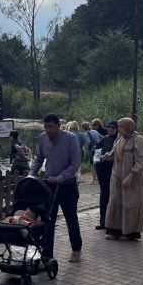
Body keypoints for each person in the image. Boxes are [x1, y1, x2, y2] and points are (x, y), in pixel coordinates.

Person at [28, 113, 82, 263]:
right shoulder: (42, 138)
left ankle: (76, 249)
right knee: (48, 220)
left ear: (59, 125)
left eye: (51, 127)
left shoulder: (71, 138)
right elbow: (38, 158)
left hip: (68, 185)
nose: (48, 130)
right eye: (45, 127)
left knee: (71, 218)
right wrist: (31, 175)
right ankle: (47, 255)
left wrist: (60, 178)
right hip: (49, 186)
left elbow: (75, 163)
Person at [101, 117, 143, 241]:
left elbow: (141, 161)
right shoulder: (119, 138)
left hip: (132, 178)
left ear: (128, 127)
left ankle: (129, 232)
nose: (118, 129)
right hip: (117, 175)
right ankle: (114, 229)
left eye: (120, 126)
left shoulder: (138, 140)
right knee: (115, 200)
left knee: (129, 202)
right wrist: (107, 156)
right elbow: (114, 151)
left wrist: (131, 175)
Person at [93, 120, 118, 230]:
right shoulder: (105, 138)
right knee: (104, 195)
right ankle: (103, 222)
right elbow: (96, 148)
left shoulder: (119, 140)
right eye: (108, 127)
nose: (110, 129)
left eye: (113, 127)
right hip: (103, 169)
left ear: (117, 128)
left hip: (115, 170)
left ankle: (113, 223)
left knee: (114, 196)